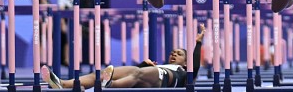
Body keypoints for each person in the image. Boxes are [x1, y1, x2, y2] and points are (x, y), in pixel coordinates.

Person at [41, 24, 206, 89]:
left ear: (186, 62)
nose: (174, 54)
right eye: (172, 52)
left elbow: (196, 63)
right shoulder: (161, 65)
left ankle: (108, 85)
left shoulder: (187, 73)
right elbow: (137, 75)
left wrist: (198, 43)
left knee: (137, 73)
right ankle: (62, 83)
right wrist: (144, 64)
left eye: (179, 54)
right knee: (102, 73)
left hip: (165, 79)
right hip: (147, 77)